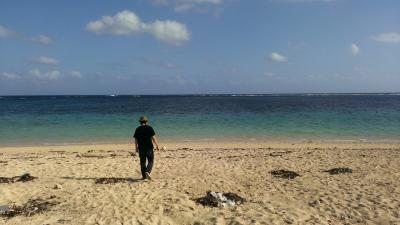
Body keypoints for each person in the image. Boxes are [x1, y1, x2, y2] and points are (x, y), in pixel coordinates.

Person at [133, 116, 159, 180]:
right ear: (146, 121)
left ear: (140, 122)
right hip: (149, 148)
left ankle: (144, 176)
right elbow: (153, 138)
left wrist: (136, 147)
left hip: (141, 148)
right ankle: (147, 171)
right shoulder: (149, 128)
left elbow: (136, 139)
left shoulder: (138, 129)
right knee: (150, 161)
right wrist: (157, 145)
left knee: (142, 163)